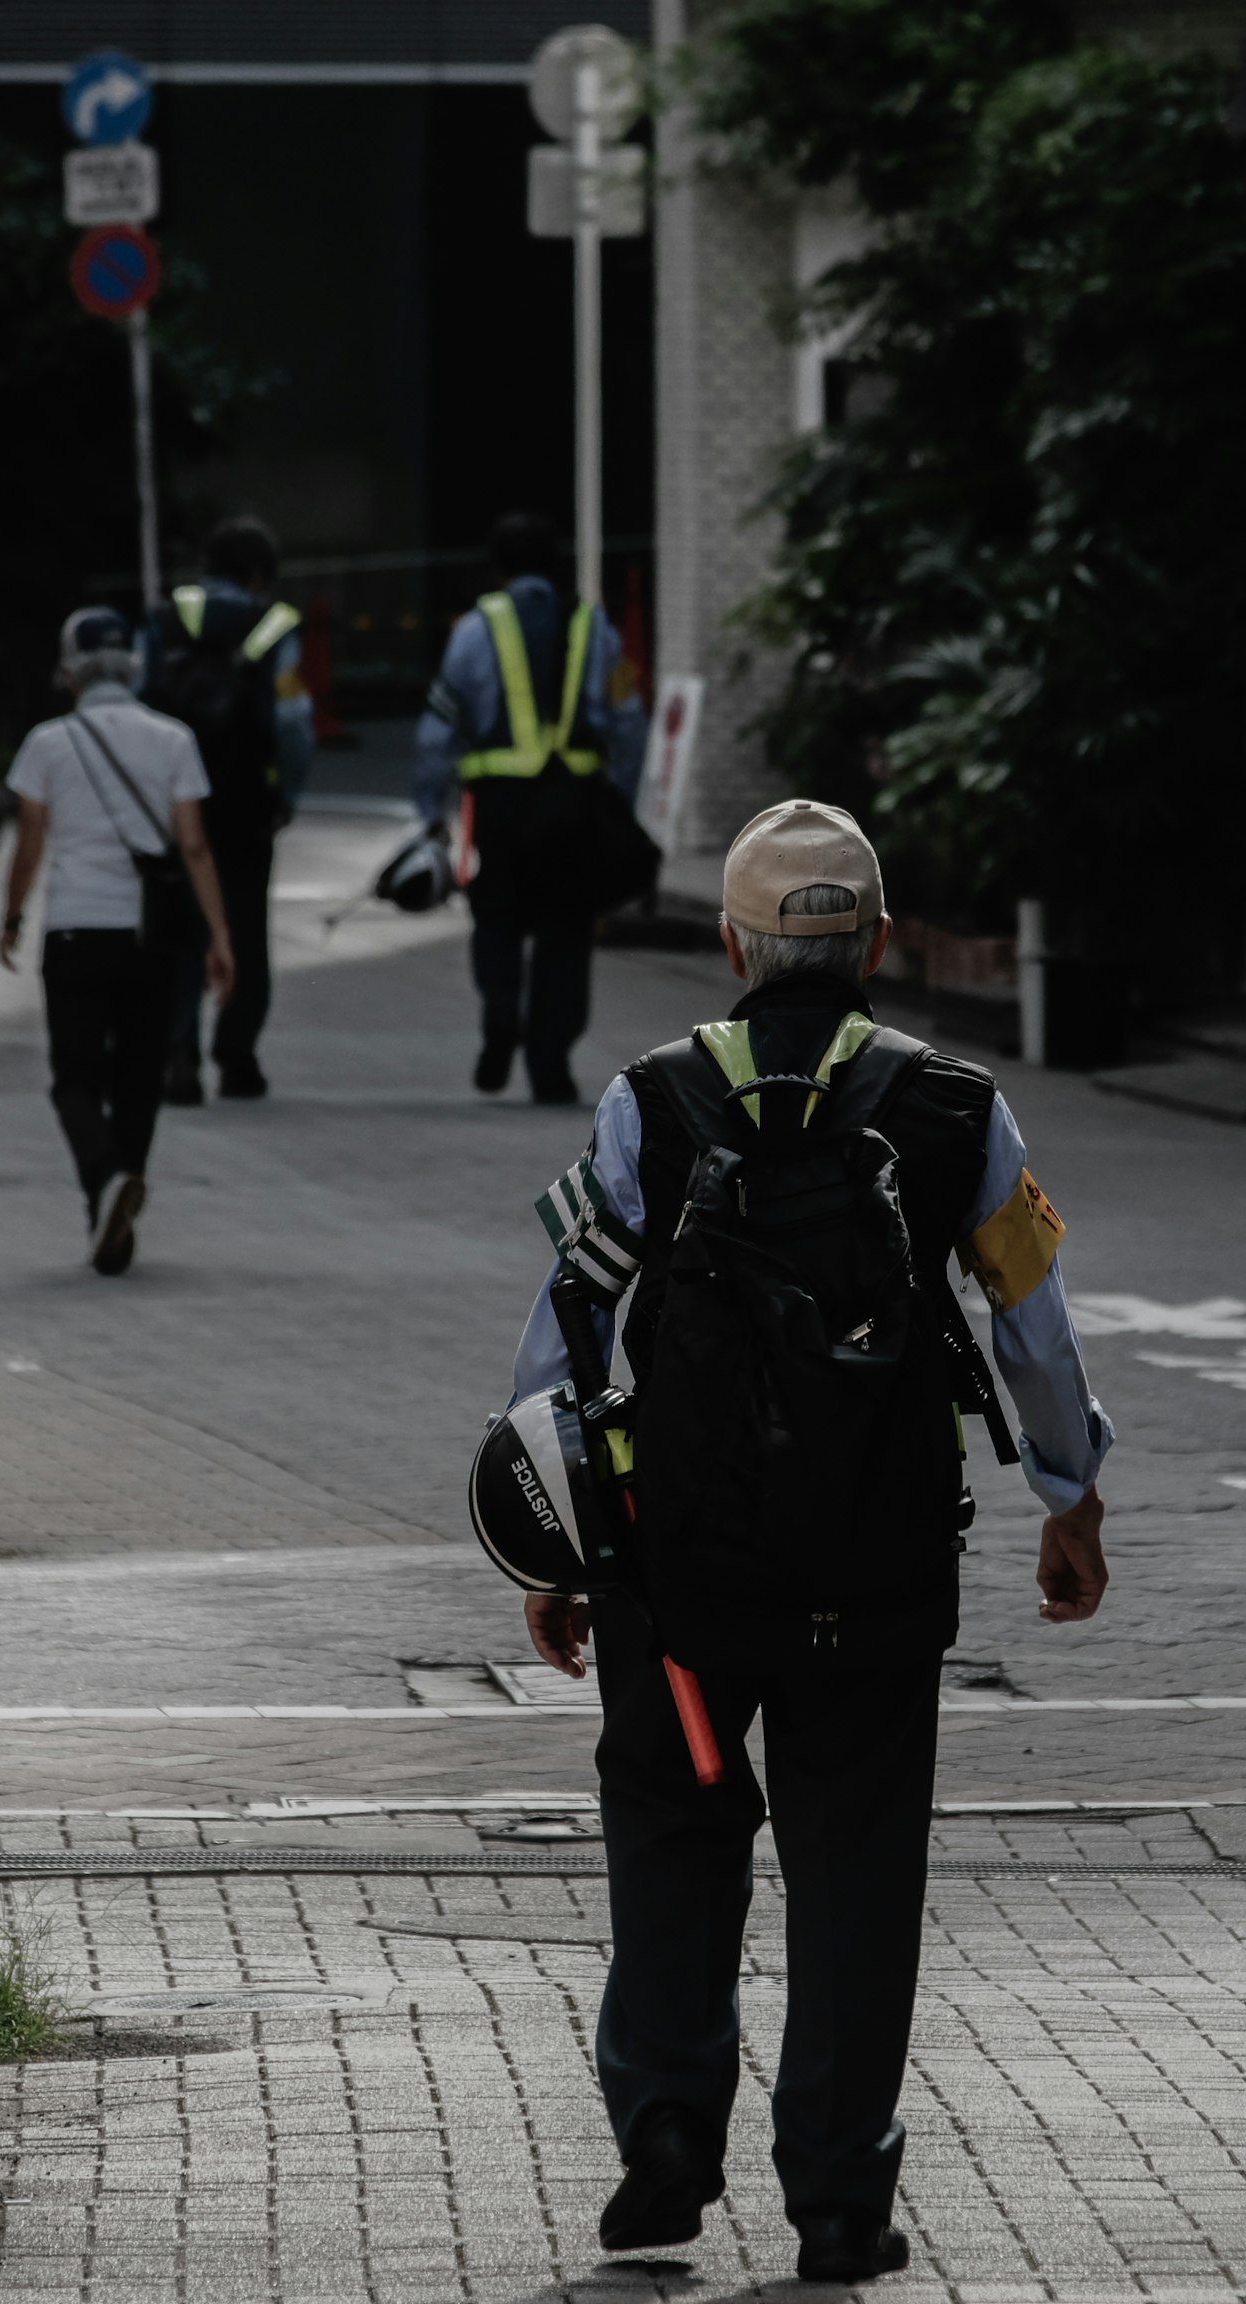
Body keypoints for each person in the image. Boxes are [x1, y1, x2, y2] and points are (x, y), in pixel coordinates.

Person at [509, 799, 1113, 2283]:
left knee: (673, 1828)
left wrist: (556, 1551)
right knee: (853, 1872)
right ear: (880, 943)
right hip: (876, 1578)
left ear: (729, 945)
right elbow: (1031, 1325)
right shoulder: (956, 1106)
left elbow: (569, 1322)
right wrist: (1069, 1498)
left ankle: (664, 2127)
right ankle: (839, 2199)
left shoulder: (652, 1100)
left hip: (683, 1589)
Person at [0, 608, 234, 1276]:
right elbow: (192, 843)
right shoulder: (173, 739)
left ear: (69, 669)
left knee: (74, 1076)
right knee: (138, 1075)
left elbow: (30, 843)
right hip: (149, 937)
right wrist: (219, 935)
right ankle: (122, 1184)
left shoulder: (47, 742)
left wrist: (11, 916)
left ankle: (103, 1181)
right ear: (134, 665)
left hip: (73, 928)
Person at [413, 510, 646, 1105]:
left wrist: (431, 811)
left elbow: (437, 729)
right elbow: (628, 720)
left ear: (497, 567)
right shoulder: (594, 627)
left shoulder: (472, 629)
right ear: (555, 563)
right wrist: (618, 794)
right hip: (573, 803)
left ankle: (499, 1017)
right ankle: (551, 1067)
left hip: (499, 805)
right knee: (565, 931)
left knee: (496, 917)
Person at [145, 514, 314, 1102]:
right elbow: (293, 724)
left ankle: (178, 1050)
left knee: (177, 924)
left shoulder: (164, 618)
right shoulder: (274, 626)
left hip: (172, 800)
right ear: (260, 573)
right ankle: (237, 1057)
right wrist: (287, 793)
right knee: (243, 924)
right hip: (245, 800)